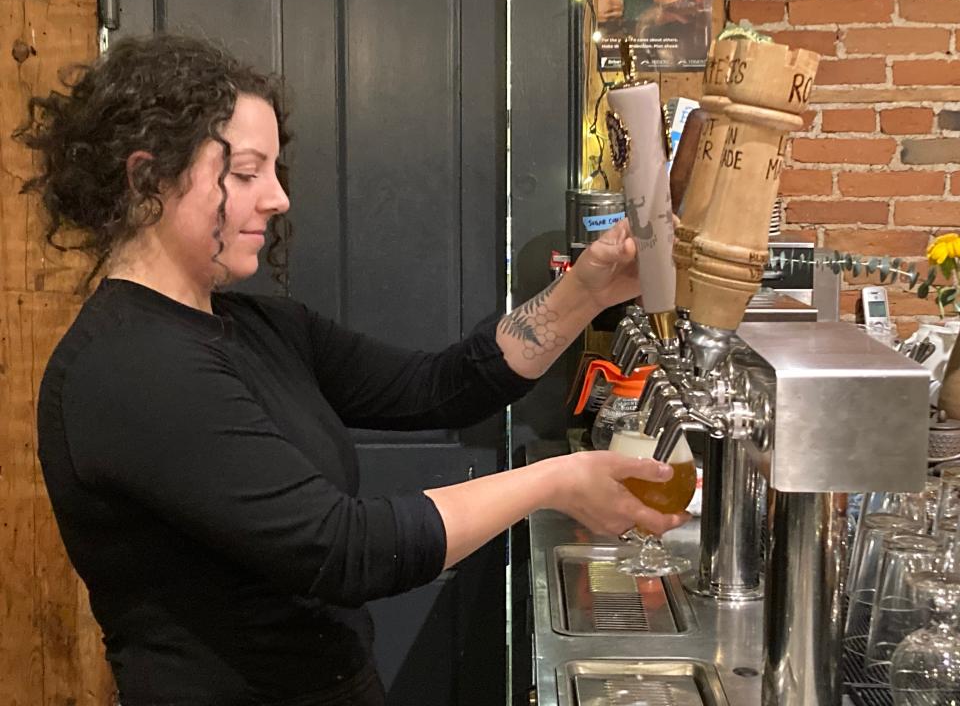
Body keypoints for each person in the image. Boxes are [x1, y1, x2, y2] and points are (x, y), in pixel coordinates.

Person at [18, 34, 688, 706]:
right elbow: (340, 550)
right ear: (146, 180)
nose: (279, 198)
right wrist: (555, 482)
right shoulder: (130, 366)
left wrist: (589, 293)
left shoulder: (260, 328)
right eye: (247, 173)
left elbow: (440, 387)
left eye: (276, 170)